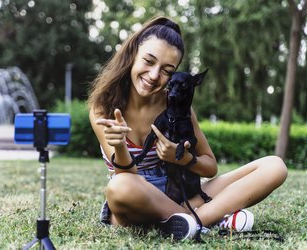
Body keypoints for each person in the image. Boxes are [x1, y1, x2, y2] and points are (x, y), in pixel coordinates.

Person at [87, 16, 288, 240]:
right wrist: (119, 146)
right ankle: (206, 219)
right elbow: (125, 175)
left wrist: (181, 159)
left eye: (167, 70)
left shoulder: (176, 105)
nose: (154, 75)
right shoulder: (103, 106)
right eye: (149, 61)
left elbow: (210, 167)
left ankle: (184, 223)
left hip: (179, 194)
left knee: (274, 166)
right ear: (133, 54)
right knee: (120, 185)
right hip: (134, 202)